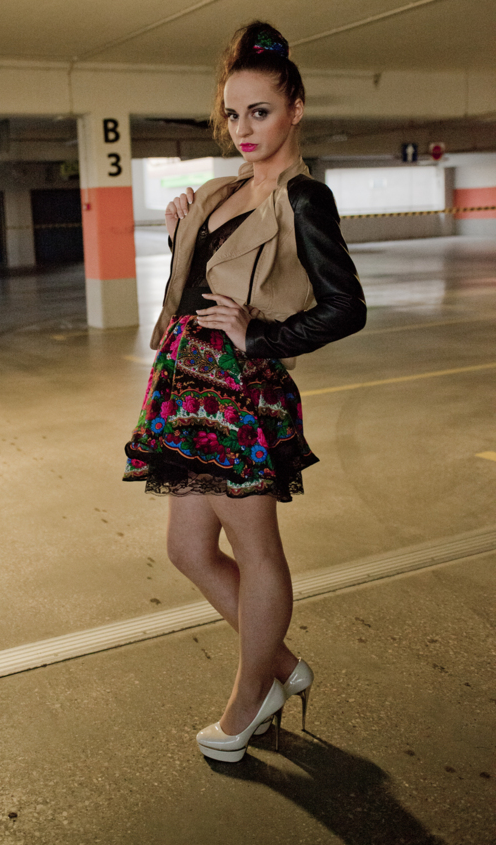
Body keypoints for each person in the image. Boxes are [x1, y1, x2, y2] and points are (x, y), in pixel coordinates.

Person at [124, 20, 366, 763]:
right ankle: (281, 667)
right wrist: (181, 234)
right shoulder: (224, 189)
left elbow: (345, 307)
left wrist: (258, 337)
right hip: (187, 384)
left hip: (237, 392)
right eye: (232, 114)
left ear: (295, 108)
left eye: (259, 111)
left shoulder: (305, 199)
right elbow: (207, 283)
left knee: (254, 550)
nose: (243, 128)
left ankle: (247, 701)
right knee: (188, 548)